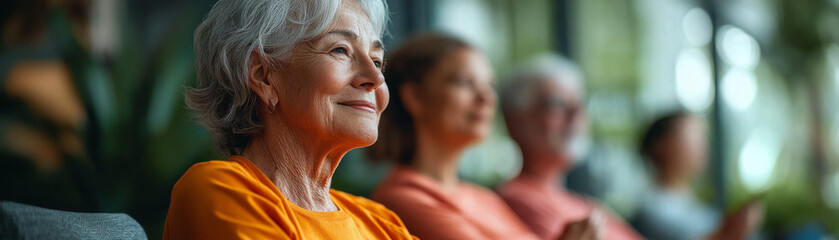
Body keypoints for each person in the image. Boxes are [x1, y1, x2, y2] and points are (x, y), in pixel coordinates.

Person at [163, 0, 416, 239]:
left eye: (377, 61)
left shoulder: (382, 223)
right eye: (340, 49)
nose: (376, 77)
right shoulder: (220, 190)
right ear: (263, 76)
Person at [367, 33, 546, 240]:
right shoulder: (400, 199)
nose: (486, 98)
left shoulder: (484, 197)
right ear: (414, 97)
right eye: (464, 82)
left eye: (490, 85)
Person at [496, 55, 643, 240]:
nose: (576, 115)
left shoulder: (582, 203)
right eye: (558, 104)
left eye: (580, 103)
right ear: (515, 121)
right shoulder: (515, 200)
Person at [632, 111, 763, 240]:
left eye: (703, 137)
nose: (704, 145)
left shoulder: (697, 208)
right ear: (662, 146)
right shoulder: (650, 215)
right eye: (693, 137)